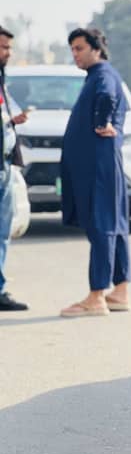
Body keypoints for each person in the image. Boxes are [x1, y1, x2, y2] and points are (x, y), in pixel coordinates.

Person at [59, 28, 131, 317]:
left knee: (101, 223)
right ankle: (121, 290)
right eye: (73, 50)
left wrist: (103, 122)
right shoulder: (103, 74)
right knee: (115, 222)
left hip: (97, 165)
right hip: (102, 163)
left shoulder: (101, 75)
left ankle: (96, 295)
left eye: (79, 49)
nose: (75, 55)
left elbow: (106, 98)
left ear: (96, 49)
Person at [0, 25, 29, 311]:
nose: (7, 53)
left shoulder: (2, 81)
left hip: (5, 165)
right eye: (3, 47)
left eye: (9, 48)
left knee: (2, 231)